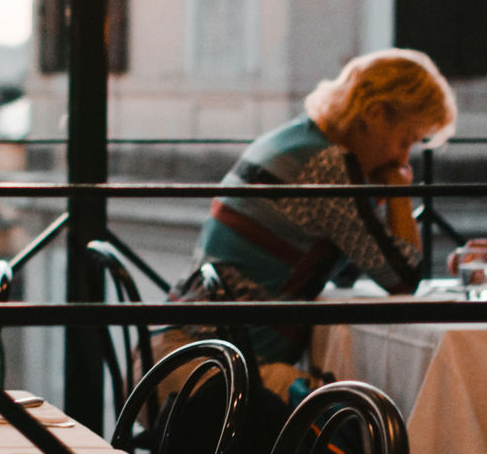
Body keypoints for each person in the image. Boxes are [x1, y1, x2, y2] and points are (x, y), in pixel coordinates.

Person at [185, 48, 457, 365]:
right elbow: (404, 279)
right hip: (225, 371)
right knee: (369, 408)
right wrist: (398, 189)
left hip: (185, 345)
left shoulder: (297, 139)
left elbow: (348, 271)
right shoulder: (329, 166)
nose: (402, 159)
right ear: (375, 113)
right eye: (405, 140)